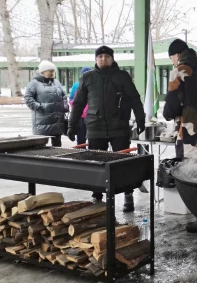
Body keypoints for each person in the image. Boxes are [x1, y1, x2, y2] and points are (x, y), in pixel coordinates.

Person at [68, 46, 145, 211]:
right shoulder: (87, 78)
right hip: (95, 127)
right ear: (96, 59)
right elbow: (78, 103)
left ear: (112, 59)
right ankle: (97, 196)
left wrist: (141, 119)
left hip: (119, 126)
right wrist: (72, 125)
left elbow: (134, 99)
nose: (103, 59)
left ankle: (127, 194)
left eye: (107, 56)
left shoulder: (122, 76)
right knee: (96, 163)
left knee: (122, 163)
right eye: (100, 56)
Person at [163, 39, 197, 233]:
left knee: (194, 177)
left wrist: (168, 114)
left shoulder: (179, 72)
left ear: (177, 55)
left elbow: (171, 105)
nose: (172, 62)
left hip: (190, 133)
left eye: (171, 57)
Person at [24, 60, 68, 147]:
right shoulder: (34, 83)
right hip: (42, 121)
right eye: (50, 71)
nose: (53, 73)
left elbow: (63, 96)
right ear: (43, 71)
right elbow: (28, 98)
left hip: (57, 121)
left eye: (53, 71)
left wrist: (65, 106)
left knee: (57, 146)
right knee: (41, 147)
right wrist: (40, 107)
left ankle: (57, 160)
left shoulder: (56, 82)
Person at [68, 67, 92, 145]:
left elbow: (72, 100)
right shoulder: (93, 85)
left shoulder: (76, 85)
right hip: (91, 115)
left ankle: (81, 155)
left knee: (81, 139)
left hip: (81, 115)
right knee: (92, 139)